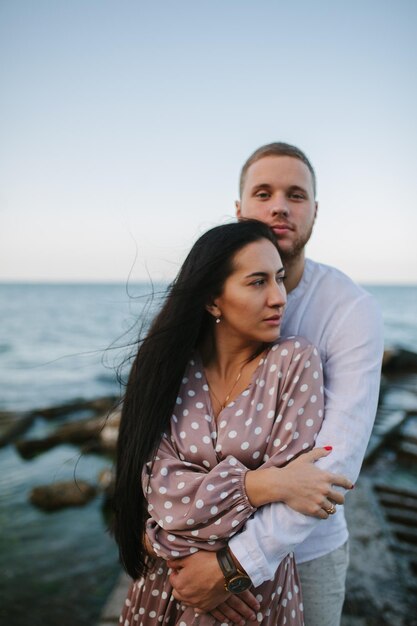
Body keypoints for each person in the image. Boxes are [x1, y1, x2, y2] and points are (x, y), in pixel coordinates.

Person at [167, 143, 384, 626]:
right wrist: (173, 543)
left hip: (307, 553)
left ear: (315, 212)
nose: (280, 205)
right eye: (263, 193)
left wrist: (234, 565)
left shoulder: (349, 310)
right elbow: (157, 441)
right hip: (193, 546)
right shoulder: (203, 307)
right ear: (239, 208)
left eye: (296, 195)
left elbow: (332, 466)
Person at [114, 219, 353, 626]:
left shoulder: (294, 363)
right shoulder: (169, 371)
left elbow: (290, 500)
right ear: (212, 299)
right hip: (169, 589)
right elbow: (159, 493)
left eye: (279, 279)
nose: (279, 297)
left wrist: (225, 573)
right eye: (257, 282)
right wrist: (262, 484)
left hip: (252, 597)